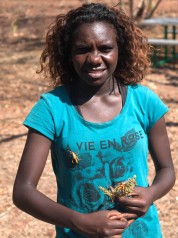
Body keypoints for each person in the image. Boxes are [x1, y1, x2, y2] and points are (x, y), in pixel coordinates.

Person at [13, 3, 175, 238]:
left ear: (121, 49)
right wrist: (81, 222)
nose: (94, 58)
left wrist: (151, 193)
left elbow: (167, 170)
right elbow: (23, 192)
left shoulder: (144, 101)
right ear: (68, 53)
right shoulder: (52, 108)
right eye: (82, 49)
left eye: (105, 48)